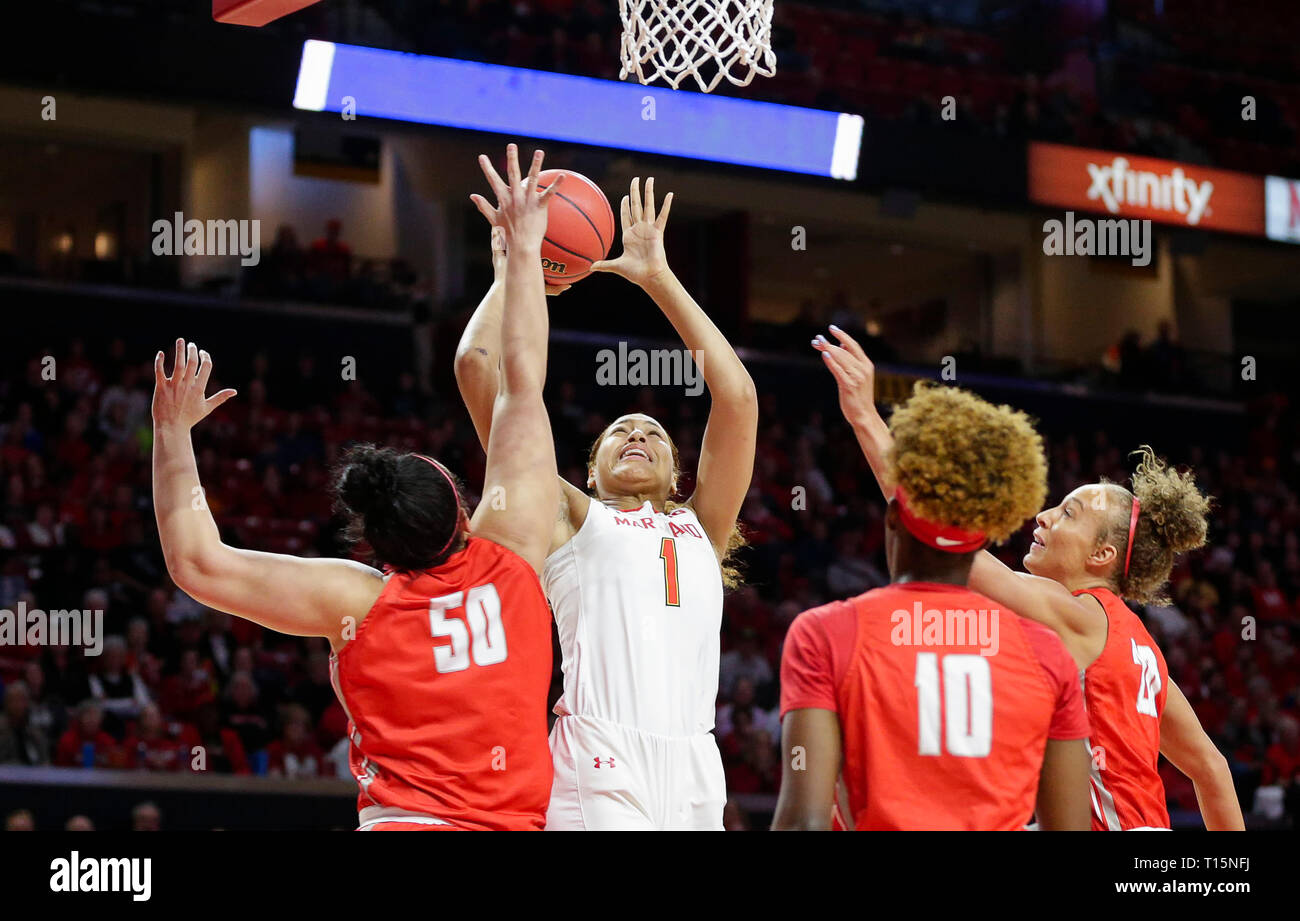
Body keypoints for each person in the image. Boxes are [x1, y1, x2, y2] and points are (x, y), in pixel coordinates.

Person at [151, 144, 563, 830]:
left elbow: (197, 561)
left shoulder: (357, 599)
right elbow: (522, 379)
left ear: (374, 542)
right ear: (465, 513)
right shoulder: (513, 552)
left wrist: (172, 435)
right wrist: (520, 253)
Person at [814, 325, 1245, 831]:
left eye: (1069, 513)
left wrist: (865, 416)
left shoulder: (1080, 615)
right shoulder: (1141, 651)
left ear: (1102, 554)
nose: (1042, 516)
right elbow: (1212, 770)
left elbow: (948, 547)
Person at [456, 175, 758, 830]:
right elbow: (478, 367)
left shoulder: (699, 526)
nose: (638, 433)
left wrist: (657, 277)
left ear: (677, 472)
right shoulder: (567, 514)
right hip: (599, 750)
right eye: (620, 429)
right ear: (589, 472)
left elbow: (737, 397)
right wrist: (513, 268)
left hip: (696, 763)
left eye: (652, 431)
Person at [772, 382, 1091, 830]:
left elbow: (803, 824)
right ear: (988, 533)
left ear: (892, 518)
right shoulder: (1046, 653)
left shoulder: (825, 632)